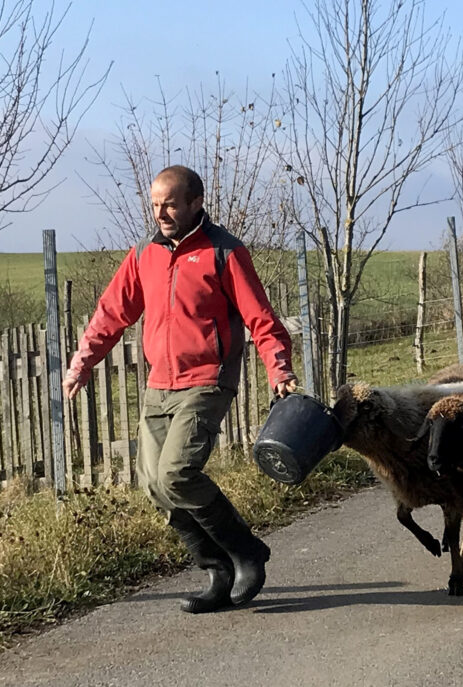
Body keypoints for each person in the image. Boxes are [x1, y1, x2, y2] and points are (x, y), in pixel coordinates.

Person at [63, 165, 298, 614]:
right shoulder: (144, 254)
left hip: (207, 380)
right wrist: (83, 362)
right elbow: (111, 313)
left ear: (196, 202)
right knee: (154, 484)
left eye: (170, 203)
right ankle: (217, 571)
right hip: (159, 384)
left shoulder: (223, 252)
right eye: (155, 205)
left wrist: (278, 368)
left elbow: (261, 319)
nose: (161, 213)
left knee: (176, 473)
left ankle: (247, 551)